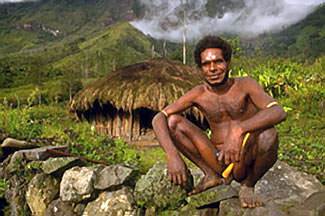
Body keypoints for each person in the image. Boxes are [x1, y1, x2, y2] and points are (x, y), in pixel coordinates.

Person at [151, 35, 287, 208]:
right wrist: (172, 155)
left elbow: (278, 111)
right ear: (200, 69)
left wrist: (239, 130)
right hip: (217, 159)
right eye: (206, 64)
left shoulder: (245, 85)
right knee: (173, 122)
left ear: (228, 63)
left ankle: (248, 185)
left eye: (218, 62)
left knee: (269, 134)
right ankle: (210, 174)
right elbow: (159, 117)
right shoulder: (198, 93)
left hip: (244, 158)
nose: (213, 68)